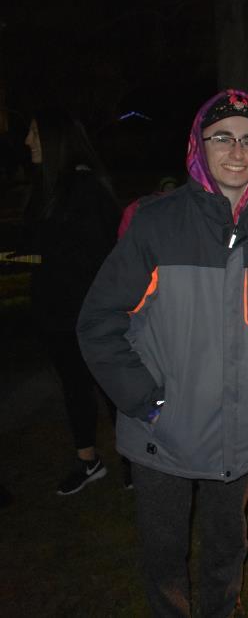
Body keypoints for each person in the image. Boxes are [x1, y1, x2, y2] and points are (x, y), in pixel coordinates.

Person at [77, 89, 248, 617]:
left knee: (227, 548)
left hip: (242, 435)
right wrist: (147, 404)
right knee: (165, 556)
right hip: (163, 436)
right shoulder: (156, 224)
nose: (236, 152)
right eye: (222, 138)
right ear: (199, 144)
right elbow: (98, 323)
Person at [19, 109, 121, 495]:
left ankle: (133, 460)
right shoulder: (46, 188)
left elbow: (97, 254)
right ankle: (88, 460)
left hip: (88, 312)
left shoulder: (85, 189)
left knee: (111, 386)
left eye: (34, 133)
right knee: (73, 386)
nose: (27, 142)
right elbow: (34, 246)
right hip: (55, 313)